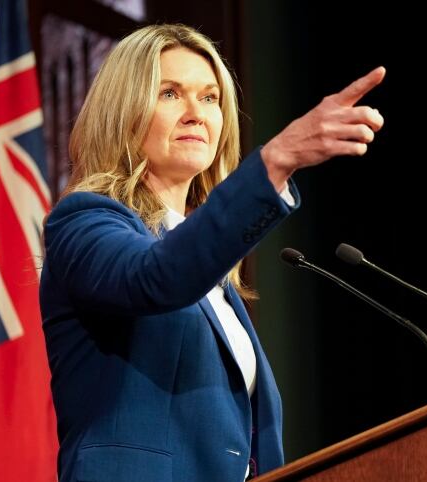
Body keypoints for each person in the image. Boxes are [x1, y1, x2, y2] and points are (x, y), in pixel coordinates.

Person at [39, 23, 384, 482]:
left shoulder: (215, 281)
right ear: (123, 112)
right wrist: (276, 159)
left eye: (209, 98)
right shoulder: (82, 222)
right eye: (169, 94)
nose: (195, 113)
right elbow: (157, 275)